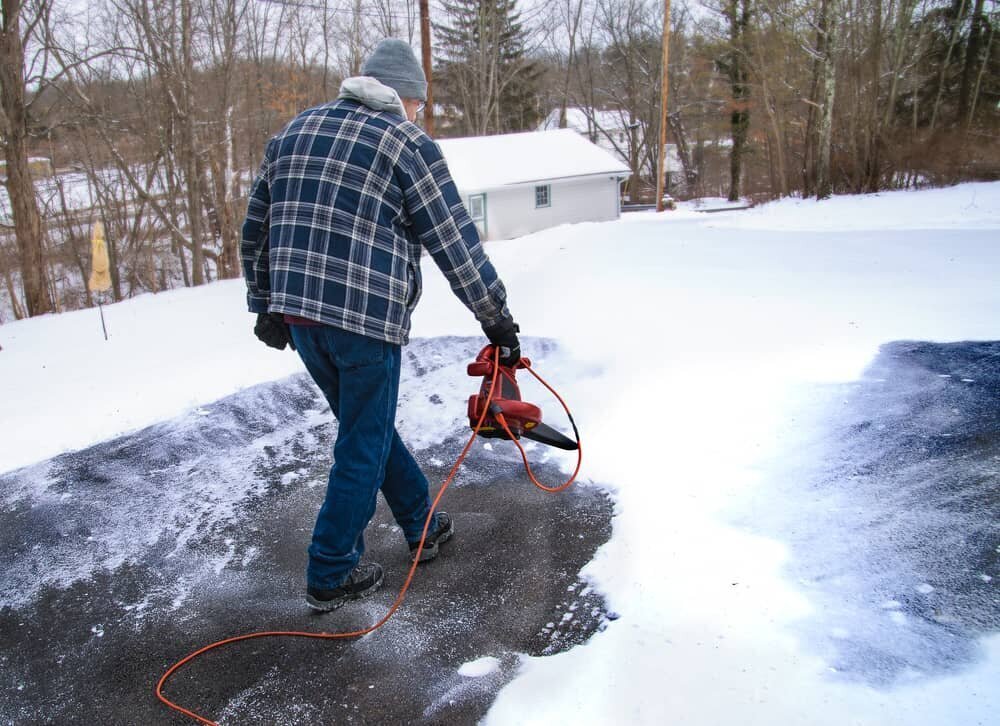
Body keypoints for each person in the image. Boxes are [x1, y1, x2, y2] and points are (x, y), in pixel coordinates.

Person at [240, 39, 520, 612]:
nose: (418, 114)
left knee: (367, 429)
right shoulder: (406, 143)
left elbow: (257, 227)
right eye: (418, 104)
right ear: (405, 96)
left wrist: (264, 303)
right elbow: (454, 243)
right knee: (361, 442)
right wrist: (496, 318)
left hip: (299, 318)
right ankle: (330, 569)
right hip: (364, 321)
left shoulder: (294, 132)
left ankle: (423, 525)